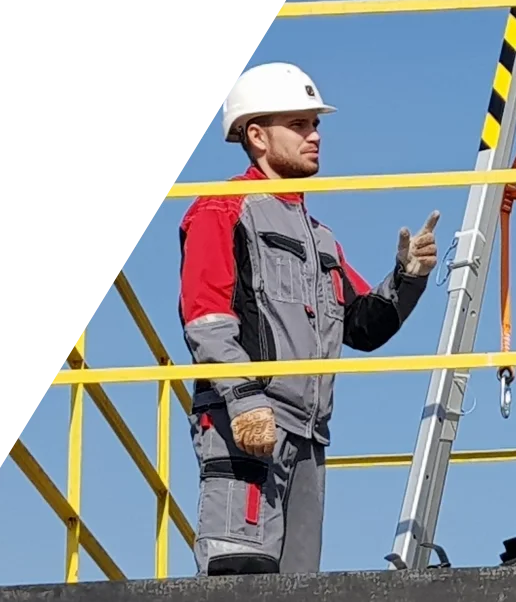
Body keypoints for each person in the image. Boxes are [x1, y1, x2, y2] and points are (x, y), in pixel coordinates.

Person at [177, 61, 441, 575]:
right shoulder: (221, 209)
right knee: (241, 574)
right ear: (257, 135)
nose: (314, 135)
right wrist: (244, 399)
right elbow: (206, 317)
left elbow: (362, 325)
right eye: (298, 124)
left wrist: (407, 277)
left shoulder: (320, 238)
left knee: (299, 587)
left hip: (308, 437)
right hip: (243, 422)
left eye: (315, 124)